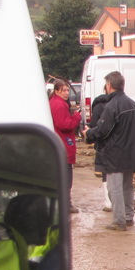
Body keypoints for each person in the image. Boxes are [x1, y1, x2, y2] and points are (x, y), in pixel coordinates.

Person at [85, 71, 135, 231]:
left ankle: (119, 221)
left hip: (115, 154)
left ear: (109, 86)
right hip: (131, 154)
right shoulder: (133, 104)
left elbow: (102, 131)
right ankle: (128, 217)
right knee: (127, 187)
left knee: (115, 188)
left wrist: (88, 134)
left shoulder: (112, 106)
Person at [49, 78, 81, 213]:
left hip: (59, 143)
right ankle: (65, 204)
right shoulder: (59, 105)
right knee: (66, 177)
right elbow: (65, 124)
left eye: (68, 90)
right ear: (57, 91)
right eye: (64, 90)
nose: (67, 93)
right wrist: (76, 117)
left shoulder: (55, 103)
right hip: (63, 144)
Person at [89, 89, 115, 212]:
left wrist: (90, 136)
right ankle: (119, 202)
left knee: (105, 173)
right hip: (118, 146)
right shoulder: (119, 104)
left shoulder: (98, 105)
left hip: (103, 145)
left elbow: (94, 124)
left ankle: (108, 203)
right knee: (119, 174)